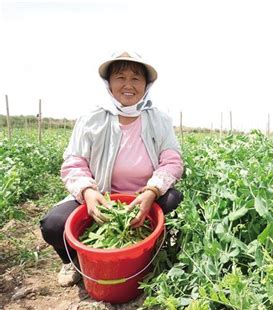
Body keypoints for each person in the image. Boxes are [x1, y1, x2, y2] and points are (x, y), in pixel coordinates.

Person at [40, 51, 184, 287]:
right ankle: (73, 260)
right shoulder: (92, 119)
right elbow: (73, 163)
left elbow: (172, 161)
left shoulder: (159, 120)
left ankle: (153, 250)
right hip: (101, 196)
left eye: (136, 78)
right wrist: (88, 192)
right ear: (109, 83)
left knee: (174, 201)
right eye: (120, 77)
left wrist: (152, 191)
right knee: (54, 225)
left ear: (147, 84)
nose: (128, 85)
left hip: (142, 197)